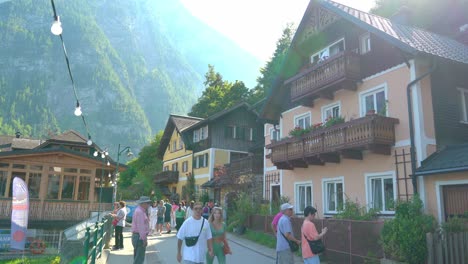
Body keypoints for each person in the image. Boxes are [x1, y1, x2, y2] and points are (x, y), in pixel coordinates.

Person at [131, 196, 152, 264]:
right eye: (147, 203)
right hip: (139, 237)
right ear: (143, 204)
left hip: (137, 236)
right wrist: (144, 239)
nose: (148, 205)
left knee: (137, 257)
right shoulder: (140, 212)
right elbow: (141, 227)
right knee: (139, 259)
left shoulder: (139, 210)